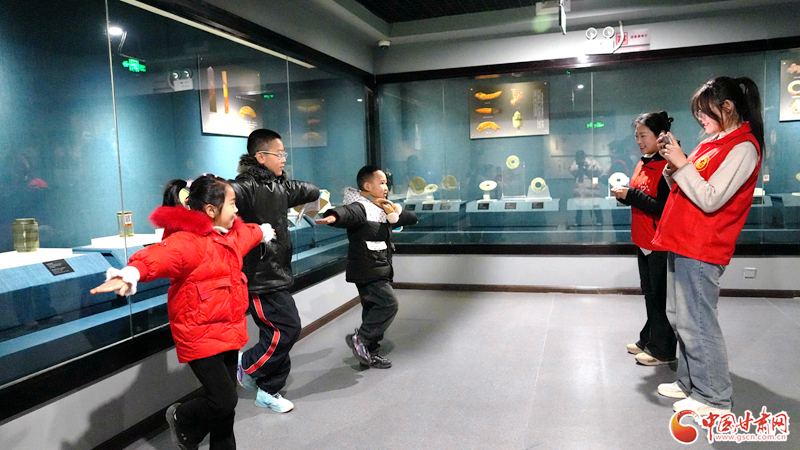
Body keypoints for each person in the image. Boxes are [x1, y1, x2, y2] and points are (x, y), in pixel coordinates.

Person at [90, 174, 275, 450]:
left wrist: (263, 231)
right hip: (199, 334)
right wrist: (130, 273)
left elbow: (248, 233)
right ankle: (181, 417)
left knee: (226, 409)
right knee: (224, 400)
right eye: (232, 204)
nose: (237, 210)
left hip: (228, 331)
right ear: (211, 210)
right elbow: (158, 257)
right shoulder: (188, 242)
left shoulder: (230, 237)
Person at [652, 76, 764, 416]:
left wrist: (683, 163)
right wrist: (674, 163)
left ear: (727, 107)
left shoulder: (743, 147)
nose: (700, 118)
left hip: (703, 245)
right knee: (680, 317)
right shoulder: (714, 141)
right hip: (682, 239)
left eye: (704, 111)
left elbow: (711, 198)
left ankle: (714, 398)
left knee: (698, 322)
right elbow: (688, 182)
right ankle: (691, 383)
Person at [230, 129, 320, 413]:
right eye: (279, 154)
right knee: (287, 328)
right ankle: (246, 364)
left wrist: (311, 193)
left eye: (284, 154)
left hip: (277, 273)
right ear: (260, 157)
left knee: (279, 332)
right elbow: (227, 193)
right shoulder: (246, 186)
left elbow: (310, 190)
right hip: (259, 277)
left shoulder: (278, 186)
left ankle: (269, 390)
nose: (284, 159)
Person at [315, 166, 418, 368]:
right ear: (367, 186)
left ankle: (370, 353)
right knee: (389, 304)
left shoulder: (381, 207)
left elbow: (411, 218)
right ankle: (360, 339)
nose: (386, 187)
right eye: (382, 183)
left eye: (386, 183)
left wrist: (396, 210)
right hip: (367, 269)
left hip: (378, 267)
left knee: (372, 310)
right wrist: (333, 217)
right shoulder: (361, 207)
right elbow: (347, 213)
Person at [612, 112, 677, 366]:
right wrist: (625, 196)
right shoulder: (643, 162)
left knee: (660, 297)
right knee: (650, 294)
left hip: (659, 241)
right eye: (636, 136)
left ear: (660, 135)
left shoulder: (668, 165)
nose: (638, 141)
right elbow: (639, 195)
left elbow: (663, 207)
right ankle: (649, 338)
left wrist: (631, 195)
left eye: (643, 136)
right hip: (643, 238)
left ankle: (663, 349)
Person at [570, 150, 603, 226]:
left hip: (592, 186)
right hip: (580, 187)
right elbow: (572, 171)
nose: (580, 159)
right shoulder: (575, 163)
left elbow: (599, 171)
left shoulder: (591, 162)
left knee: (595, 205)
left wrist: (588, 167)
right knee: (579, 206)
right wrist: (579, 167)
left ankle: (599, 220)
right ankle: (578, 221)